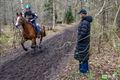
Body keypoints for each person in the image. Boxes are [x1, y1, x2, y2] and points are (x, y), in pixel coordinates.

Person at [74, 9, 93, 74]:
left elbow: (83, 33)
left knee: (83, 56)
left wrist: (78, 40)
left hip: (83, 42)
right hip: (84, 42)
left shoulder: (85, 22)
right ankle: (84, 70)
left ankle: (84, 71)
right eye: (80, 14)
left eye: (81, 14)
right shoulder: (85, 21)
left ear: (83, 14)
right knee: (83, 56)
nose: (80, 15)